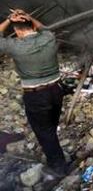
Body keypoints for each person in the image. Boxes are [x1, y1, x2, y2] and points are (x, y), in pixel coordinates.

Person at [0, 9, 67, 176]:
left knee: (44, 131)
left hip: (36, 95)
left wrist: (9, 20)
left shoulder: (16, 46)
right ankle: (57, 155)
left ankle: (58, 166)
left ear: (17, 31)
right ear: (32, 26)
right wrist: (29, 17)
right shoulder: (48, 37)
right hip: (57, 90)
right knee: (50, 127)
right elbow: (44, 28)